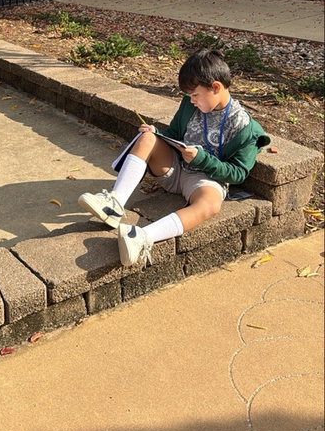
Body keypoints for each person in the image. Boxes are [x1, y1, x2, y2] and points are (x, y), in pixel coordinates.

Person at [78, 49, 270, 267]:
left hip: (205, 180)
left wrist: (201, 160)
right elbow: (174, 134)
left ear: (215, 87)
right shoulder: (189, 105)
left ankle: (142, 237)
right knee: (148, 137)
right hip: (175, 167)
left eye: (195, 95)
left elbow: (238, 173)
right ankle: (114, 204)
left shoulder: (245, 128)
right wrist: (158, 134)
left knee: (211, 205)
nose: (192, 100)